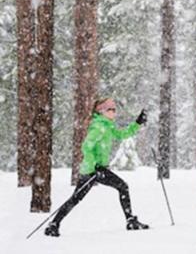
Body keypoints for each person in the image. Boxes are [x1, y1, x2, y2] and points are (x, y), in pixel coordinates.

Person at [44, 97, 149, 237]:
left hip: (98, 169)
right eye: (110, 109)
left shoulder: (107, 125)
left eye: (114, 109)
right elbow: (86, 147)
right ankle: (53, 225)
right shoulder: (99, 126)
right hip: (91, 170)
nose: (114, 112)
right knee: (80, 197)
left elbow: (122, 134)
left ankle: (54, 224)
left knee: (119, 187)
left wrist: (137, 123)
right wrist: (94, 168)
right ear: (101, 111)